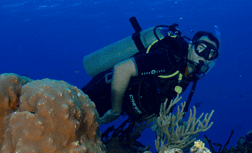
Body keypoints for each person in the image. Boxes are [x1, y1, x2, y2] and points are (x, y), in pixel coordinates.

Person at [82, 25, 220, 125]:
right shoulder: (169, 58)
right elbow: (122, 69)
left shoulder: (189, 76)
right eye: (201, 48)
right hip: (102, 92)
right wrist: (115, 111)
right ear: (190, 46)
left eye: (211, 53)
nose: (204, 56)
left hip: (121, 104)